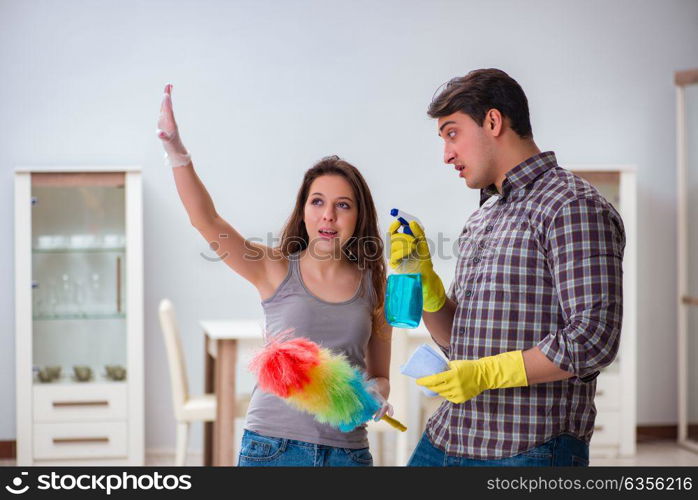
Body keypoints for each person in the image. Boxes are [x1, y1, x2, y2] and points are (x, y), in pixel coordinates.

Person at [390, 69, 625, 466]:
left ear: (493, 122)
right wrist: (427, 284)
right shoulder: (484, 216)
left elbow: (594, 339)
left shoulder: (571, 206)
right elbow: (458, 342)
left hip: (527, 448)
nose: (446, 154)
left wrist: (487, 374)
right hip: (450, 435)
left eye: (452, 133)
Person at [156, 84, 392, 467]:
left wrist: (377, 393)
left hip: (348, 454)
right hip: (273, 449)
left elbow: (380, 374)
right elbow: (207, 220)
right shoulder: (274, 267)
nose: (328, 215)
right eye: (317, 202)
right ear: (303, 211)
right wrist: (176, 151)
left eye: (342, 205)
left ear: (358, 216)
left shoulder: (375, 285)